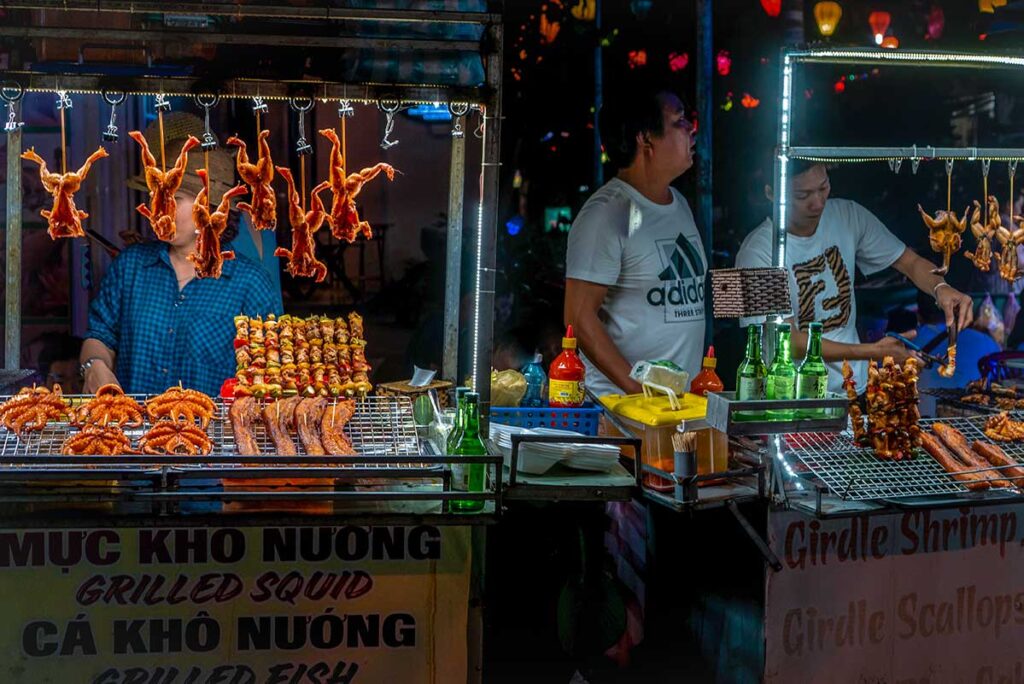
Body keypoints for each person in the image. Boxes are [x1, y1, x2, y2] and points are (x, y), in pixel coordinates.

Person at [735, 159, 974, 393]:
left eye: (823, 187)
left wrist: (940, 287)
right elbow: (788, 344)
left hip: (853, 391)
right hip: (789, 400)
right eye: (802, 196)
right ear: (771, 193)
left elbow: (909, 262)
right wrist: (873, 351)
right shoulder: (754, 253)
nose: (817, 203)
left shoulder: (848, 215)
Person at [80, 118, 280, 396]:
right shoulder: (131, 267)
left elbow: (269, 374)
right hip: (133, 434)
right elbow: (99, 336)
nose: (162, 207)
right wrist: (94, 365)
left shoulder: (251, 284)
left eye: (177, 197)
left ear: (211, 208)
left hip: (215, 437)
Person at [564, 83, 705, 397]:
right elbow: (577, 317)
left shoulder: (679, 204)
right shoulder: (606, 215)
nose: (691, 129)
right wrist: (637, 390)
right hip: (622, 412)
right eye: (679, 121)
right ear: (645, 138)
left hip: (678, 407)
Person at [910, 290, 1000, 416]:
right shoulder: (988, 341)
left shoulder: (910, 340)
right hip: (978, 422)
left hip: (924, 421)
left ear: (919, 315)